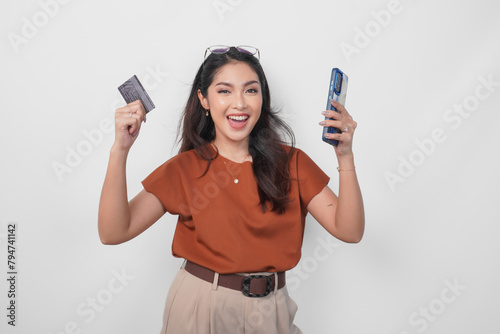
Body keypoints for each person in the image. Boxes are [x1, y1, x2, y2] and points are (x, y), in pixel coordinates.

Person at [98, 45, 364, 334]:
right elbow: (114, 232)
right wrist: (119, 150)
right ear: (204, 99)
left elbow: (349, 231)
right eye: (224, 91)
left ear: (263, 98)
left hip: (271, 308)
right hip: (200, 306)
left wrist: (345, 156)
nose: (240, 103)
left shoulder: (292, 162)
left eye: (251, 90)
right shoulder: (184, 168)